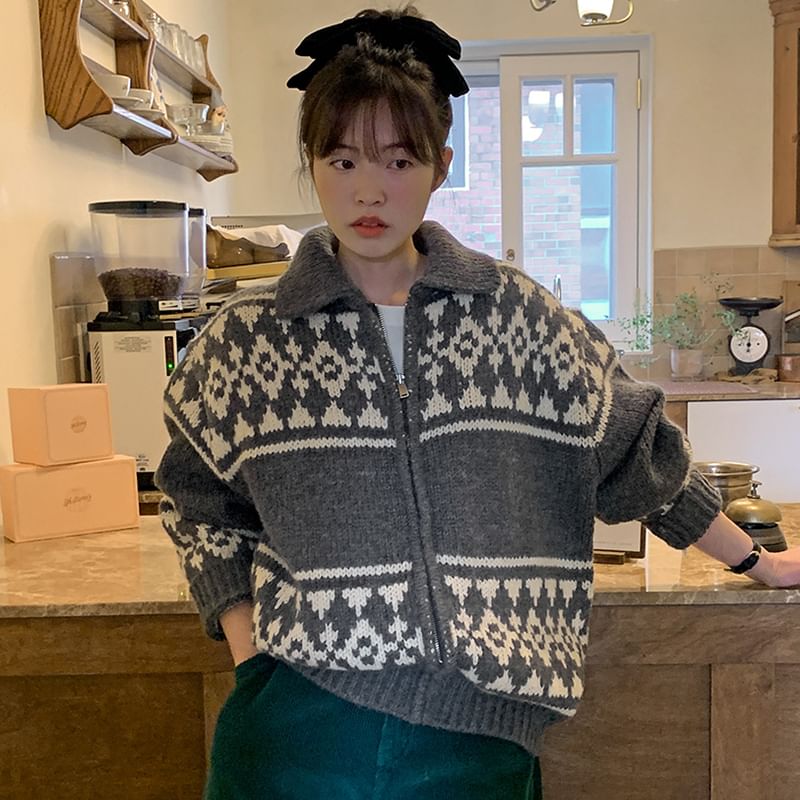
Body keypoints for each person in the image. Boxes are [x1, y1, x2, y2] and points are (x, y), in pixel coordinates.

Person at [155, 6, 800, 799]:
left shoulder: (523, 322)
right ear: (311, 162)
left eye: (399, 160)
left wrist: (759, 561)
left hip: (477, 746)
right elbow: (195, 499)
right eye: (342, 159)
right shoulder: (249, 340)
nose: (368, 189)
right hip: (292, 733)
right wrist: (247, 649)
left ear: (442, 166)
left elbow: (640, 459)